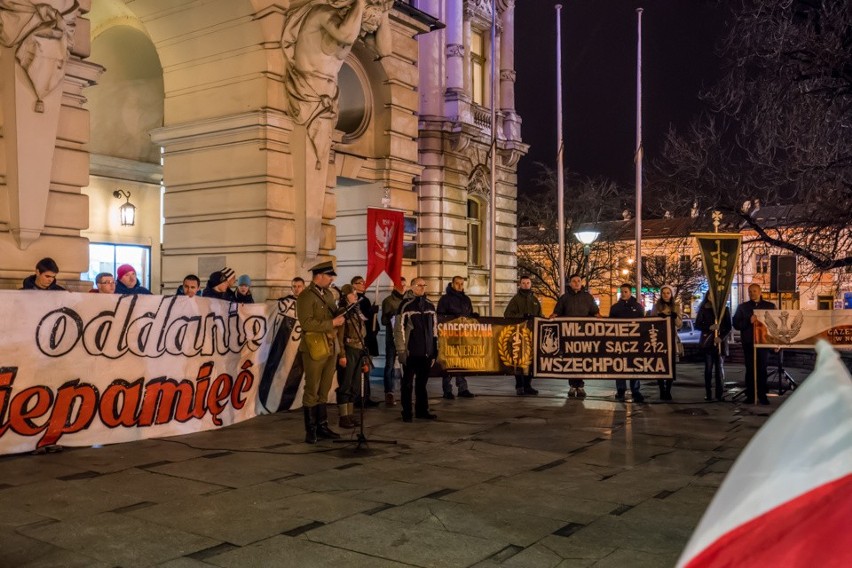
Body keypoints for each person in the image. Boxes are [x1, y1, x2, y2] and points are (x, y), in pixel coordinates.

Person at [296, 260, 346, 443]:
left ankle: (322, 426)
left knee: (324, 388)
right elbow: (306, 323)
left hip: (330, 345)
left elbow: (332, 314)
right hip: (314, 346)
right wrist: (332, 323)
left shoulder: (328, 294)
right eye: (329, 275)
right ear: (319, 276)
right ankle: (311, 430)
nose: (332, 278)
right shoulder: (306, 296)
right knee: (312, 388)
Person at [394, 277, 439, 422]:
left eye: (424, 285)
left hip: (426, 352)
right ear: (412, 287)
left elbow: (434, 330)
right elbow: (399, 329)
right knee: (407, 384)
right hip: (411, 352)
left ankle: (422, 410)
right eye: (419, 285)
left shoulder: (430, 306)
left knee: (422, 383)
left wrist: (434, 351)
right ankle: (407, 411)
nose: (422, 288)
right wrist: (401, 350)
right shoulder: (405, 305)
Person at [551, 274, 600, 398]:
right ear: (570, 283)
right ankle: (572, 386)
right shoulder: (564, 298)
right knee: (571, 361)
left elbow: (595, 312)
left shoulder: (588, 297)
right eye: (574, 281)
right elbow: (557, 312)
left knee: (582, 361)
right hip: (569, 336)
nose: (577, 283)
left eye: (579, 281)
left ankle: (580, 386)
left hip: (583, 335)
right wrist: (553, 316)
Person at [733, 283, 776, 405]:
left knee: (762, 369)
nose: (752, 293)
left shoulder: (770, 306)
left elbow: (775, 325)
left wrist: (776, 343)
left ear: (760, 292)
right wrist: (748, 321)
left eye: (754, 291)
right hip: (749, 343)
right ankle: (751, 395)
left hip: (764, 343)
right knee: (750, 369)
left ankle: (762, 395)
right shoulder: (743, 307)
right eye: (750, 291)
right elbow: (736, 324)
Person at [437, 276, 477, 399]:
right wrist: (453, 318)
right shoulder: (445, 299)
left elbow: (469, 314)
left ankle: (463, 388)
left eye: (461, 283)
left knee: (462, 362)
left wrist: (473, 316)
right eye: (457, 283)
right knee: (449, 362)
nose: (460, 286)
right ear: (452, 284)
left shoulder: (466, 299)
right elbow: (440, 316)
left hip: (464, 336)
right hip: (450, 336)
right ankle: (447, 390)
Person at [504, 275, 542, 396]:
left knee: (530, 361)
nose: (526, 285)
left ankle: (528, 385)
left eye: (528, 283)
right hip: (519, 335)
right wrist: (522, 316)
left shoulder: (535, 300)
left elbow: (540, 315)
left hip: (532, 335)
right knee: (519, 361)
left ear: (531, 284)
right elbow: (508, 314)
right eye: (524, 283)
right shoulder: (515, 299)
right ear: (520, 285)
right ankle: (519, 385)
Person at [336, 284, 366, 428]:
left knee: (354, 385)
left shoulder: (356, 311)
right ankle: (343, 416)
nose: (355, 295)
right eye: (352, 293)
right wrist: (341, 355)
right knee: (345, 385)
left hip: (358, 349)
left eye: (355, 293)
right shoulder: (343, 312)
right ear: (345, 296)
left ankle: (350, 415)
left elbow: (362, 334)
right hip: (348, 349)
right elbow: (339, 336)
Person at [609, 284, 645, 403]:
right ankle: (621, 390)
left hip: (634, 342)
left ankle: (635, 390)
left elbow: (643, 324)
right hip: (619, 342)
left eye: (625, 292)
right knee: (620, 366)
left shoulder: (638, 307)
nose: (623, 294)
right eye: (622, 292)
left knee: (634, 365)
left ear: (630, 292)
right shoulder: (615, 308)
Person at [695, 294, 732, 402]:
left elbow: (728, 326)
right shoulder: (704, 309)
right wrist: (709, 327)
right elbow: (697, 325)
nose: (712, 297)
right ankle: (708, 393)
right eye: (710, 295)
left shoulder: (724, 309)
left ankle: (719, 394)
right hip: (708, 344)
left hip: (720, 343)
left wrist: (720, 337)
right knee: (708, 369)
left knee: (719, 369)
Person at [650, 285, 682, 401]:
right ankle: (661, 390)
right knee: (660, 365)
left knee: (671, 365)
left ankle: (668, 390)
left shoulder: (676, 306)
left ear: (671, 294)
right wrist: (659, 317)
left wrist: (675, 318)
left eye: (668, 293)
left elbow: (680, 324)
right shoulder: (656, 306)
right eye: (664, 293)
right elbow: (651, 322)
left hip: (671, 338)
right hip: (660, 339)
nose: (666, 295)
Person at [351, 276, 379, 407]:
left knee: (367, 369)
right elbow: (360, 317)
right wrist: (370, 312)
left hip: (369, 338)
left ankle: (366, 396)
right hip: (361, 339)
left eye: (364, 282)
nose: (363, 284)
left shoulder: (365, 299)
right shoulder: (356, 300)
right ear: (353, 285)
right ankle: (360, 397)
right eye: (359, 283)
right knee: (362, 369)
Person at [380, 276, 408, 406]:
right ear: (395, 287)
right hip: (391, 338)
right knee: (390, 365)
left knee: (406, 365)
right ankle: (389, 393)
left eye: (404, 285)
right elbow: (384, 321)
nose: (403, 287)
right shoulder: (388, 301)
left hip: (406, 338)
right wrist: (391, 314)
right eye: (400, 285)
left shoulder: (408, 301)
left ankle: (405, 390)